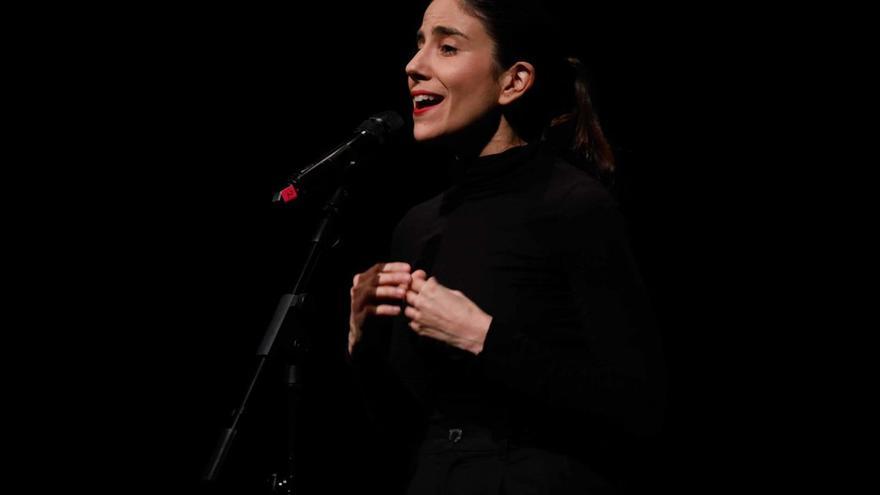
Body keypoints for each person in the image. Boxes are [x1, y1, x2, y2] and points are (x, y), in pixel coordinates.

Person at [347, 0, 667, 493]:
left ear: (513, 81)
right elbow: (402, 429)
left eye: (447, 47)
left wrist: (481, 336)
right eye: (419, 45)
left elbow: (639, 406)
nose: (414, 65)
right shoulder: (417, 226)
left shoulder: (571, 205)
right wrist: (363, 342)